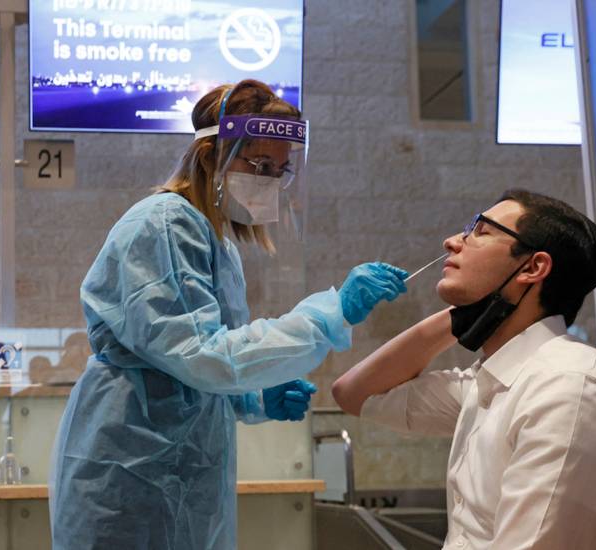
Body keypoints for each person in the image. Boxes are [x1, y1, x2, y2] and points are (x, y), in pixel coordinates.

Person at [48, 79, 409, 550]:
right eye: (259, 164)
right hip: (131, 473)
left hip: (177, 466)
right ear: (209, 157)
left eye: (280, 170)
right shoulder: (164, 224)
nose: (271, 181)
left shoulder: (214, 239)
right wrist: (330, 313)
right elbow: (201, 356)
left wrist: (255, 397)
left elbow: (199, 365)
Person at [332, 189, 596, 549]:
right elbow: (354, 394)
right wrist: (459, 319)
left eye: (481, 232)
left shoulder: (569, 388)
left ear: (532, 267)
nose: (453, 241)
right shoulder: (487, 383)